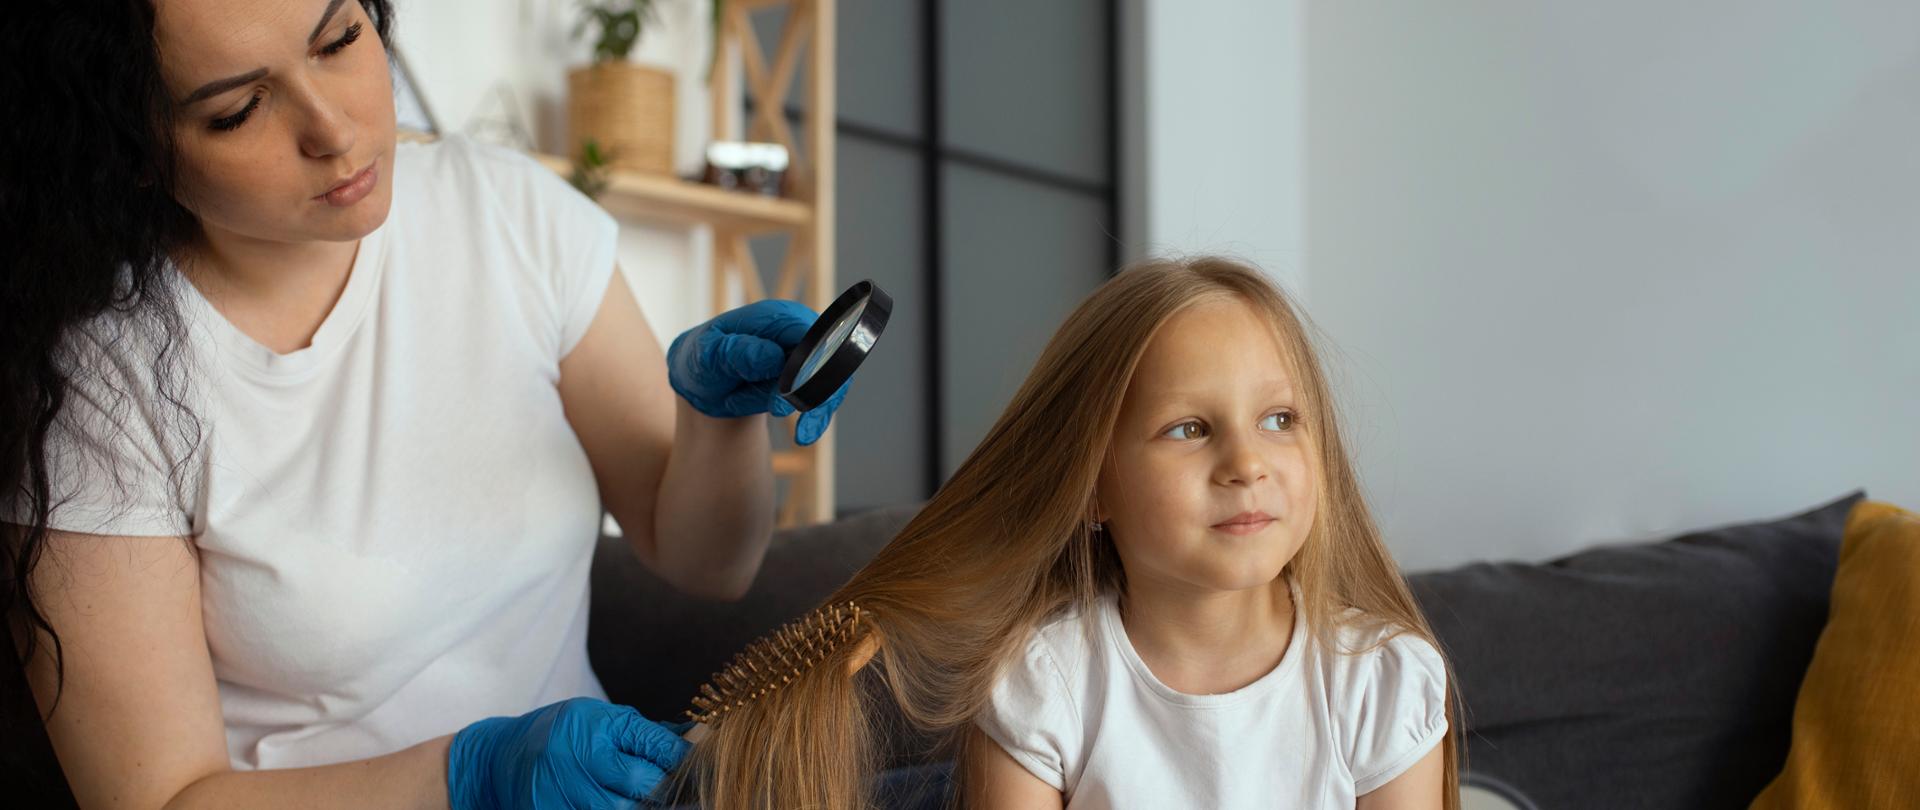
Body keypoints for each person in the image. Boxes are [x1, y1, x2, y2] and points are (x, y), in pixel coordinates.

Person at [1, 0, 849, 807]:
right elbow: (160, 798)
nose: (332, 131)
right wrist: (465, 778)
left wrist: (718, 422)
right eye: (237, 111)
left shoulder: (509, 215)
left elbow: (710, 564)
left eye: (337, 40)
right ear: (138, 151)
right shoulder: (102, 386)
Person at [678, 257, 1462, 809]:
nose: (1246, 463)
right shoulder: (1042, 682)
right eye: (1189, 428)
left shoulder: (1381, 683)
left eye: (1279, 419)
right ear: (1091, 488)